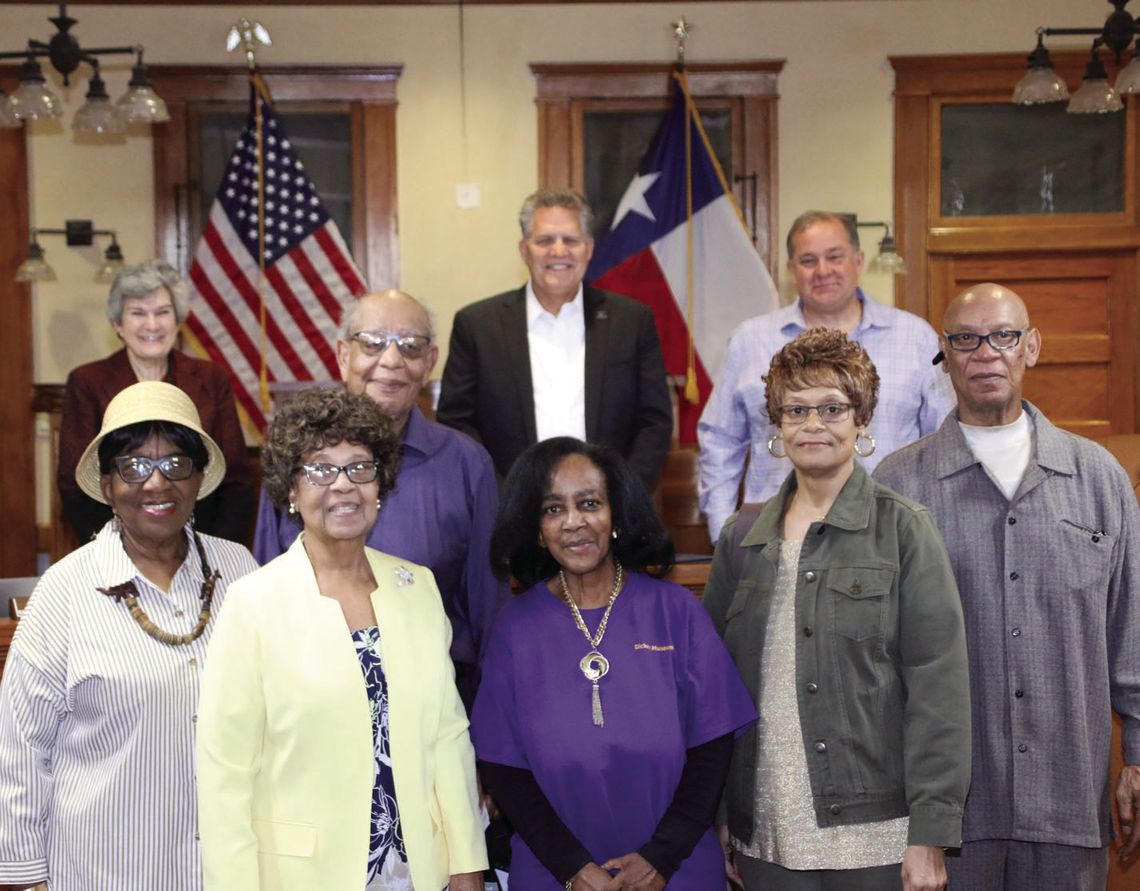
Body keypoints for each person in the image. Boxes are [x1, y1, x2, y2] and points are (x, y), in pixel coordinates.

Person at [874, 282, 1140, 890]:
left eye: (1004, 336)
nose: (986, 352)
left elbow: (1133, 630)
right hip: (949, 817)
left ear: (1032, 347)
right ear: (945, 356)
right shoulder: (900, 484)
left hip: (1069, 803)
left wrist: (1139, 760)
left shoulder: (1098, 478)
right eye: (966, 339)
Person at [703, 328, 970, 891]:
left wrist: (930, 835)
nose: (813, 424)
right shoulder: (742, 539)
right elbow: (714, 692)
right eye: (795, 409)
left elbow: (938, 691)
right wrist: (723, 814)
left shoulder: (904, 530)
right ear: (776, 423)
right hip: (767, 831)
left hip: (880, 833)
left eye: (832, 407)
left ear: (861, 420)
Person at [197, 386, 487, 891]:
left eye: (359, 467)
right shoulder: (253, 604)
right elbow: (225, 776)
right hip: (304, 874)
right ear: (291, 489)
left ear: (381, 482)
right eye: (320, 470)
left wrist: (466, 861)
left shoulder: (417, 587)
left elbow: (448, 737)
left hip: (418, 869)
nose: (343, 486)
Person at [0, 381, 258, 891]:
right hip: (105, 871)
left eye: (176, 463)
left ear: (199, 476)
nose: (157, 483)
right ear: (109, 486)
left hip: (226, 872)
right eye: (134, 466)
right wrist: (27, 880)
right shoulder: (66, 590)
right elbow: (20, 750)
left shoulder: (240, 571)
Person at [472, 437, 756, 890]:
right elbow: (504, 767)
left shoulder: (674, 610)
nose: (573, 523)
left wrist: (660, 858)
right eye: (552, 509)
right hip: (554, 872)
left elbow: (713, 747)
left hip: (675, 869)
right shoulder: (514, 628)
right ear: (537, 529)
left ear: (616, 514)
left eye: (589, 503)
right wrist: (571, 867)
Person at [253, 289, 508, 708]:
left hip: (434, 700)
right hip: (309, 699)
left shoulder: (466, 465)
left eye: (410, 346)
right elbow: (267, 579)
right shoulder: (294, 455)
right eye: (372, 343)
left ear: (429, 363)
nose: (391, 361)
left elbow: (487, 609)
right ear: (342, 354)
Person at [697, 211, 955, 541]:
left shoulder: (915, 337)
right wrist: (724, 535)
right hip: (775, 541)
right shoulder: (750, 341)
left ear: (858, 260)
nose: (823, 271)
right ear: (791, 271)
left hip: (887, 540)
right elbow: (720, 442)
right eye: (808, 260)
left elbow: (944, 444)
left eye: (834, 257)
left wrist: (928, 535)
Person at [436, 188, 673, 491]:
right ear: (524, 250)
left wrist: (622, 497)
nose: (558, 251)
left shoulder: (632, 322)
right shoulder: (478, 325)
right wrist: (504, 500)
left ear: (588, 248)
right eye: (545, 240)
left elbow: (654, 423)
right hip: (508, 512)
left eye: (571, 240)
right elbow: (457, 423)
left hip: (610, 512)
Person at [56, 259, 254, 546]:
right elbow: (74, 484)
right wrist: (115, 548)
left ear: (178, 320)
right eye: (138, 313)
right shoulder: (87, 382)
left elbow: (236, 481)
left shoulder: (212, 380)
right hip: (116, 545)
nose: (152, 325)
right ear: (117, 324)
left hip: (203, 544)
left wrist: (213, 549)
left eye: (163, 312)